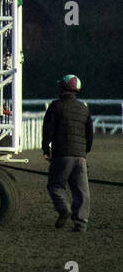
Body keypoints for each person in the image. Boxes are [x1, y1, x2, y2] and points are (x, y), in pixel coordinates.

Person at [42, 74, 93, 232]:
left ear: (62, 88)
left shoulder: (56, 106)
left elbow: (47, 131)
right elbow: (89, 135)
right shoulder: (84, 108)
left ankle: (64, 209)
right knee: (81, 191)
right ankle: (81, 223)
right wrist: (84, 152)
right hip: (80, 156)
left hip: (62, 154)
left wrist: (46, 149)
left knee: (56, 185)